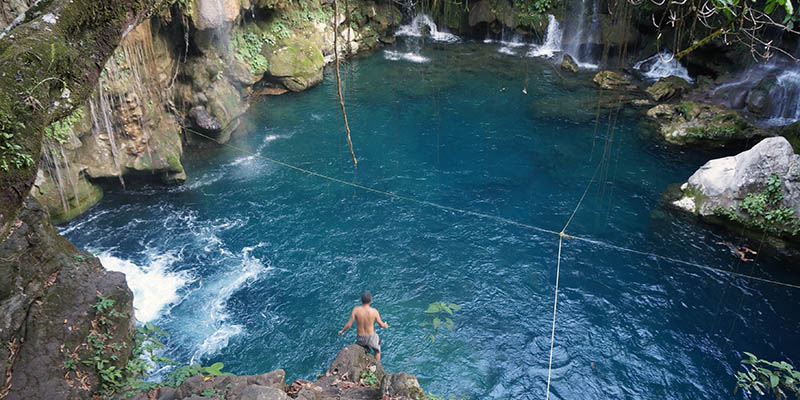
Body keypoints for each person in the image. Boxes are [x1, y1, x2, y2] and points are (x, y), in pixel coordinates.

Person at [338, 291, 389, 362]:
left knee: (364, 350)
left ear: (361, 300)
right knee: (377, 350)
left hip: (360, 338)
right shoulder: (374, 311)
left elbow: (349, 324)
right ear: (370, 301)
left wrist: (342, 331)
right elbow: (381, 325)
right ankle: (377, 365)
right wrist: (385, 325)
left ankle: (365, 355)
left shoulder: (356, 310)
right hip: (371, 337)